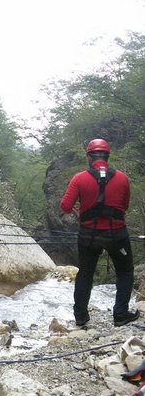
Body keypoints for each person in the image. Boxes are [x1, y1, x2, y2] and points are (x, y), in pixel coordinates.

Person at [60, 138, 139, 327]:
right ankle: (120, 314)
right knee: (125, 271)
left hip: (89, 236)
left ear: (89, 156)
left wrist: (81, 211)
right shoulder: (122, 178)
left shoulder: (79, 178)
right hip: (117, 235)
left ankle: (81, 316)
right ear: (107, 155)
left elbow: (65, 206)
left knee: (85, 273)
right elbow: (124, 206)